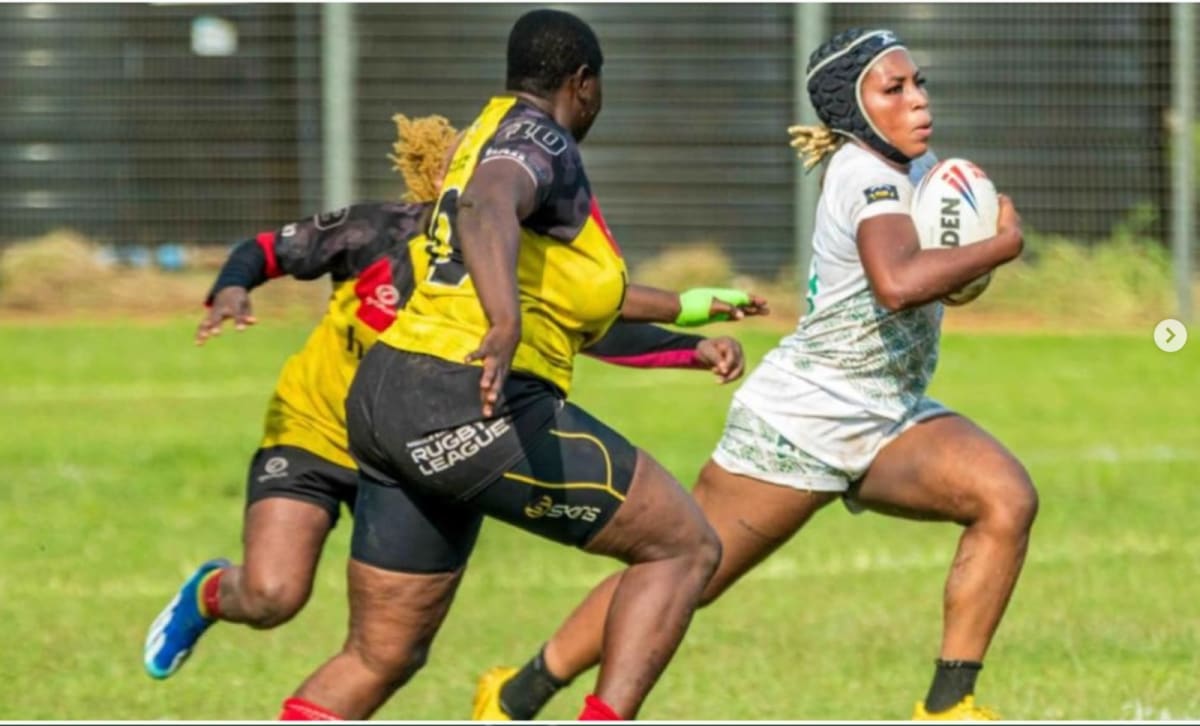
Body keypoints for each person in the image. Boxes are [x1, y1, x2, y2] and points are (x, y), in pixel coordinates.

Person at [473, 27, 1038, 722]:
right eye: (895, 89)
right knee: (688, 574)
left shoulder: (917, 171)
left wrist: (966, 264)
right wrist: (1000, 247)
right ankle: (514, 693)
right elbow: (897, 283)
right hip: (801, 422)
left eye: (920, 83)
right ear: (854, 110)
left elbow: (929, 277)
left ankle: (948, 706)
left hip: (884, 414)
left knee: (1005, 499)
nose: (918, 100)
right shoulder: (865, 174)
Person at [272, 9, 774, 722]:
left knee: (382, 655)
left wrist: (686, 312)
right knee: (683, 548)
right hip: (466, 398)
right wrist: (504, 322)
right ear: (583, 83)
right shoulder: (542, 138)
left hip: (390, 394)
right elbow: (489, 205)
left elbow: (571, 293)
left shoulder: (489, 128)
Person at [142, 112, 763, 682]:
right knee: (274, 595)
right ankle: (210, 593)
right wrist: (231, 290)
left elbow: (590, 324)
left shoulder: (509, 259)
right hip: (315, 430)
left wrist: (690, 347)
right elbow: (269, 249)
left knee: (392, 650)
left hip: (412, 446)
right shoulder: (375, 230)